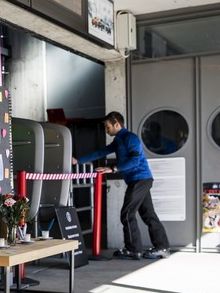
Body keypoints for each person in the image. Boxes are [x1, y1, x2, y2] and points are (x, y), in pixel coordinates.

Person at [72, 111, 170, 260]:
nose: (106, 130)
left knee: (127, 213)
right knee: (148, 214)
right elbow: (101, 152)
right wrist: (77, 161)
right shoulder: (119, 140)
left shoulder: (131, 138)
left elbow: (135, 161)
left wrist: (113, 169)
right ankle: (162, 247)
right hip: (137, 180)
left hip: (140, 179)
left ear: (116, 124)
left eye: (107, 127)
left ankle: (133, 249)